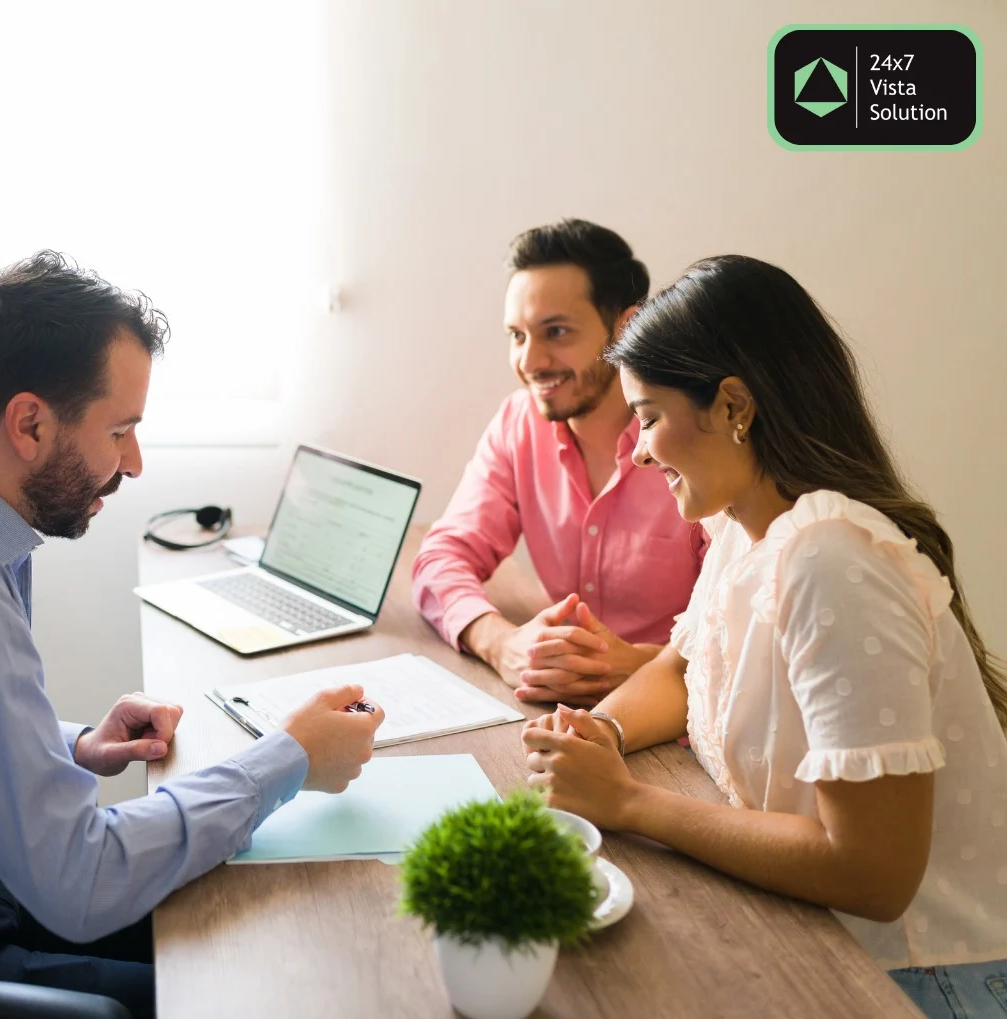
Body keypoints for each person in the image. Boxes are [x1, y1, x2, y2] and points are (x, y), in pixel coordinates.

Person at [0, 252, 384, 1017]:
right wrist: (290, 757)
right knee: (245, 987)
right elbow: (81, 883)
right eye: (119, 430)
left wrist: (71, 744)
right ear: (30, 422)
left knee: (248, 917)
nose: (134, 463)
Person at [521, 255, 1007, 1018]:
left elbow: (874, 875)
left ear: (734, 406)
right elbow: (680, 672)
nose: (640, 449)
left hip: (918, 977)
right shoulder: (748, 529)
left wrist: (630, 802)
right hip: (813, 930)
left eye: (648, 417)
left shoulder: (834, 560)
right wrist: (599, 733)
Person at [413, 219, 706, 707]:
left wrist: (639, 664)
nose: (530, 361)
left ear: (627, 326)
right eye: (517, 335)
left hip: (685, 719)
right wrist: (499, 642)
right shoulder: (518, 422)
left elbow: (753, 629)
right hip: (558, 709)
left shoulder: (696, 437)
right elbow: (442, 556)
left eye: (556, 332)